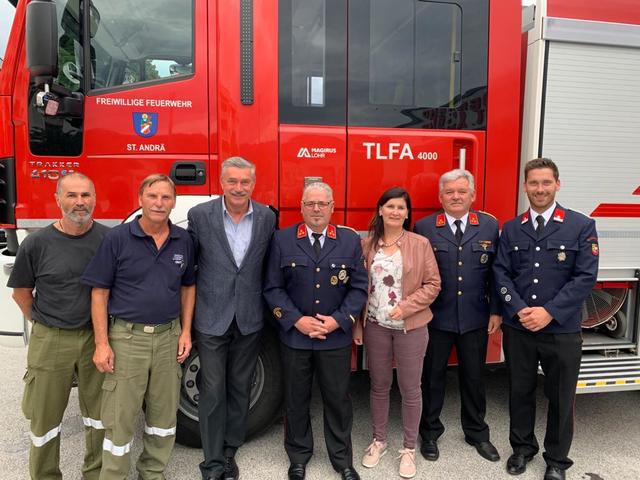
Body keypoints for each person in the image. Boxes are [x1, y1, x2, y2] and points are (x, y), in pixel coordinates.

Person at [82, 174, 196, 480]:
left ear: (174, 202)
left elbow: (188, 287)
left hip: (168, 337)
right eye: (153, 196)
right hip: (126, 338)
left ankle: (152, 472)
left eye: (166, 197)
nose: (159, 203)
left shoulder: (183, 240)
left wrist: (185, 331)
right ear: (140, 199)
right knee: (120, 416)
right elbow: (99, 292)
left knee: (163, 415)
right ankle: (114, 476)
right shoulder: (117, 238)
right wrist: (102, 343)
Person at [493, 158, 599, 480]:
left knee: (561, 396)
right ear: (525, 186)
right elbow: (500, 272)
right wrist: (518, 308)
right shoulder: (512, 228)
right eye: (534, 183)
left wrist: (549, 312)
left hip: (562, 329)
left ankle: (556, 460)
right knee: (520, 391)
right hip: (520, 326)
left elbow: (585, 277)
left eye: (546, 183)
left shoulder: (581, 225)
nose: (540, 189)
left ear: (557, 184)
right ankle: (522, 449)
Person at [7, 173, 109, 480]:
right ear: (58, 199)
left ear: (94, 198)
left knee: (99, 416)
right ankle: (46, 474)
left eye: (86, 195)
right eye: (72, 195)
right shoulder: (37, 243)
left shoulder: (109, 240)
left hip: (96, 338)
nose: (80, 202)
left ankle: (95, 473)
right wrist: (42, 324)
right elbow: (21, 293)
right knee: (44, 419)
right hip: (52, 338)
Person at [263, 182, 368, 480]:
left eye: (323, 204)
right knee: (296, 399)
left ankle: (341, 459)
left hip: (335, 337)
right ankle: (298, 456)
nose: (317, 209)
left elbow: (359, 287)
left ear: (333, 207)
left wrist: (338, 320)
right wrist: (296, 320)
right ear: (302, 207)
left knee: (337, 399)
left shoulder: (348, 240)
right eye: (311, 204)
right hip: (295, 337)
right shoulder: (283, 240)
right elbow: (272, 287)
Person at [187, 157, 276, 480]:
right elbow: (190, 268)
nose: (239, 188)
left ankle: (229, 452)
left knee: (240, 387)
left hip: (250, 317)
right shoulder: (200, 216)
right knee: (212, 390)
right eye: (232, 181)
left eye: (245, 182)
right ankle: (211, 463)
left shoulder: (266, 217)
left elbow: (268, 266)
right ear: (221, 182)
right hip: (211, 316)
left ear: (253, 184)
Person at [353, 187, 441, 479]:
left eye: (401, 207)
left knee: (410, 388)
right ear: (380, 210)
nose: (395, 212)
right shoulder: (367, 245)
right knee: (378, 386)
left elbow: (433, 284)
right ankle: (379, 442)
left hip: (410, 328)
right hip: (376, 327)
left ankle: (408, 449)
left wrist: (406, 307)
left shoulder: (420, 243)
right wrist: (358, 325)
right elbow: (357, 288)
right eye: (390, 206)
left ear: (407, 213)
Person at [414, 169, 501, 464]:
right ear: (440, 197)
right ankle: (429, 433)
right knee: (432, 377)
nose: (455, 196)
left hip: (476, 317)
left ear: (472, 196)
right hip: (436, 318)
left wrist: (496, 311)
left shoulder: (489, 226)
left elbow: (497, 274)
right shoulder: (424, 227)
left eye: (461, 192)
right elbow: (416, 276)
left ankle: (477, 433)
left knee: (474, 378)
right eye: (449, 192)